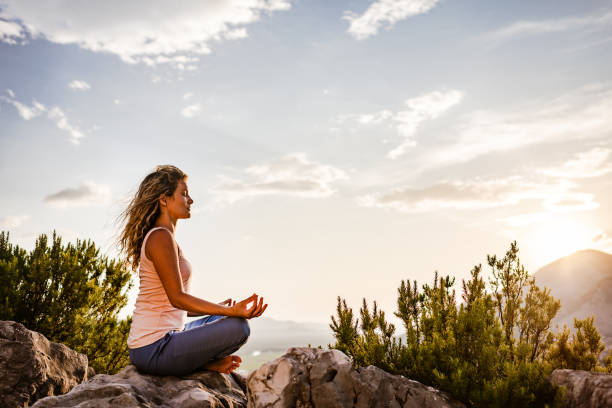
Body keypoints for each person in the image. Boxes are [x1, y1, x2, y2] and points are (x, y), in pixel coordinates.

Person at [118, 165, 267, 376]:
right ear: (164, 199)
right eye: (184, 194)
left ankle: (202, 364)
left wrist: (218, 308)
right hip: (153, 348)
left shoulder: (165, 238)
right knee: (238, 328)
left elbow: (175, 305)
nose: (191, 200)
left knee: (226, 321)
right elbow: (177, 298)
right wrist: (228, 311)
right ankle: (202, 365)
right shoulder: (160, 237)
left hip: (167, 339)